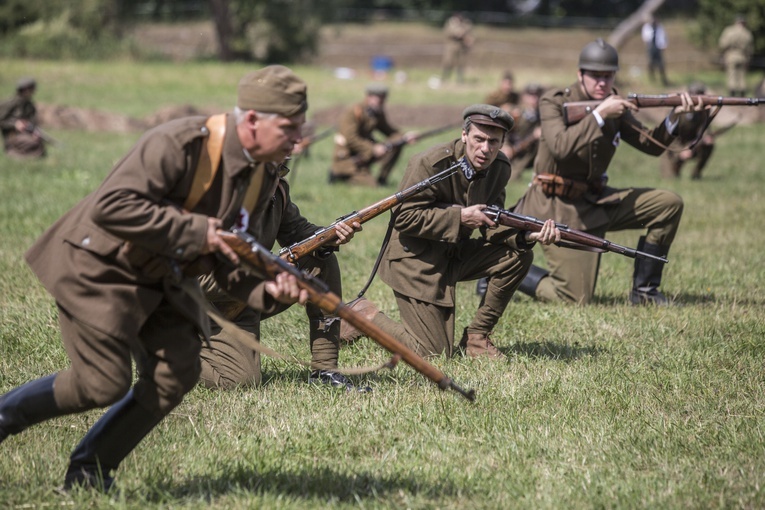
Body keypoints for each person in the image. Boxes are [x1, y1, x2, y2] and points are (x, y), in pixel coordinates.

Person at [0, 65, 311, 491]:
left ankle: (90, 471)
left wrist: (267, 289)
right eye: (290, 128)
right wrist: (196, 231)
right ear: (253, 120)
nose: (299, 139)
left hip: (164, 276)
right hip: (102, 267)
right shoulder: (180, 143)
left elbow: (228, 256)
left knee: (175, 375)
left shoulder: (262, 174)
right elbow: (112, 206)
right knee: (102, 383)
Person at [340, 104, 561, 360]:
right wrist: (459, 217)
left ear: (503, 142)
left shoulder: (499, 167)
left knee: (518, 256)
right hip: (415, 261)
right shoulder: (431, 162)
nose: (485, 149)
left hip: (453, 254)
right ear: (465, 135)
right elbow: (403, 217)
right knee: (432, 353)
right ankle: (363, 315)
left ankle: (477, 338)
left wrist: (525, 236)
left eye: (493, 141)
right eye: (479, 139)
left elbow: (493, 220)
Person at [514, 39, 704, 306]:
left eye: (608, 75)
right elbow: (559, 147)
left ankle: (645, 292)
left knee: (668, 205)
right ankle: (505, 273)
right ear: (580, 75)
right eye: (595, 75)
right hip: (555, 207)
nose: (602, 82)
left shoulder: (614, 104)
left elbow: (650, 145)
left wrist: (675, 115)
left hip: (595, 201)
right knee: (574, 299)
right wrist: (600, 115)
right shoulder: (555, 102)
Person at [198, 160, 369, 392]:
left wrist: (330, 236)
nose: (277, 178)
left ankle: (324, 370)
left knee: (319, 258)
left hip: (242, 301)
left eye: (282, 169)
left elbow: (297, 232)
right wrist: (264, 280)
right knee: (238, 381)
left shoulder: (277, 192)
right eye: (271, 170)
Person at [329, 84, 415, 187]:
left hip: (364, 155)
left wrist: (405, 136)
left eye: (383, 98)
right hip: (348, 158)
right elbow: (350, 138)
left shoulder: (376, 112)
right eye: (378, 98)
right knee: (372, 186)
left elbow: (390, 131)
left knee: (397, 141)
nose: (381, 101)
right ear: (368, 97)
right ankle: (340, 175)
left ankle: (382, 179)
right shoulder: (353, 111)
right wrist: (373, 148)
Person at [659, 82, 715, 181]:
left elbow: (704, 129)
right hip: (672, 148)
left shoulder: (704, 110)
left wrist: (706, 137)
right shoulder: (677, 109)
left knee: (708, 145)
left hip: (691, 144)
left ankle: (696, 174)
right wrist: (682, 150)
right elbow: (667, 134)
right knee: (670, 180)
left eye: (701, 93)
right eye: (695, 93)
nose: (698, 97)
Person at [0, 77, 46, 158]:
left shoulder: (29, 105)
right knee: (33, 144)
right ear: (25, 89)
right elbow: (2, 120)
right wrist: (14, 124)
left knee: (40, 145)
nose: (33, 92)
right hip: (12, 135)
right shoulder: (11, 103)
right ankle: (12, 152)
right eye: (31, 89)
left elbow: (33, 121)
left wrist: (35, 131)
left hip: (25, 134)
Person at [718, 15, 754, 97]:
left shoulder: (729, 31)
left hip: (731, 55)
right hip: (743, 56)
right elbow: (750, 49)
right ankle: (742, 91)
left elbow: (722, 44)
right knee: (742, 75)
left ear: (736, 22)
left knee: (731, 74)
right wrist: (748, 58)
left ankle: (732, 91)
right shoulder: (747, 33)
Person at [441, 12, 474, 84]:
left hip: (461, 47)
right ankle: (444, 78)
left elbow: (469, 33)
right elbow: (448, 33)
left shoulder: (465, 24)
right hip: (451, 46)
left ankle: (460, 79)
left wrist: (467, 38)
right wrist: (458, 33)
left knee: (461, 64)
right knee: (448, 62)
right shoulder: (451, 23)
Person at [641, 15, 670, 86]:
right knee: (651, 64)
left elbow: (663, 37)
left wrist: (664, 46)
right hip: (651, 47)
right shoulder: (646, 27)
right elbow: (645, 38)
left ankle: (664, 80)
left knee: (661, 64)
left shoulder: (660, 27)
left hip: (658, 48)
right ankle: (652, 79)